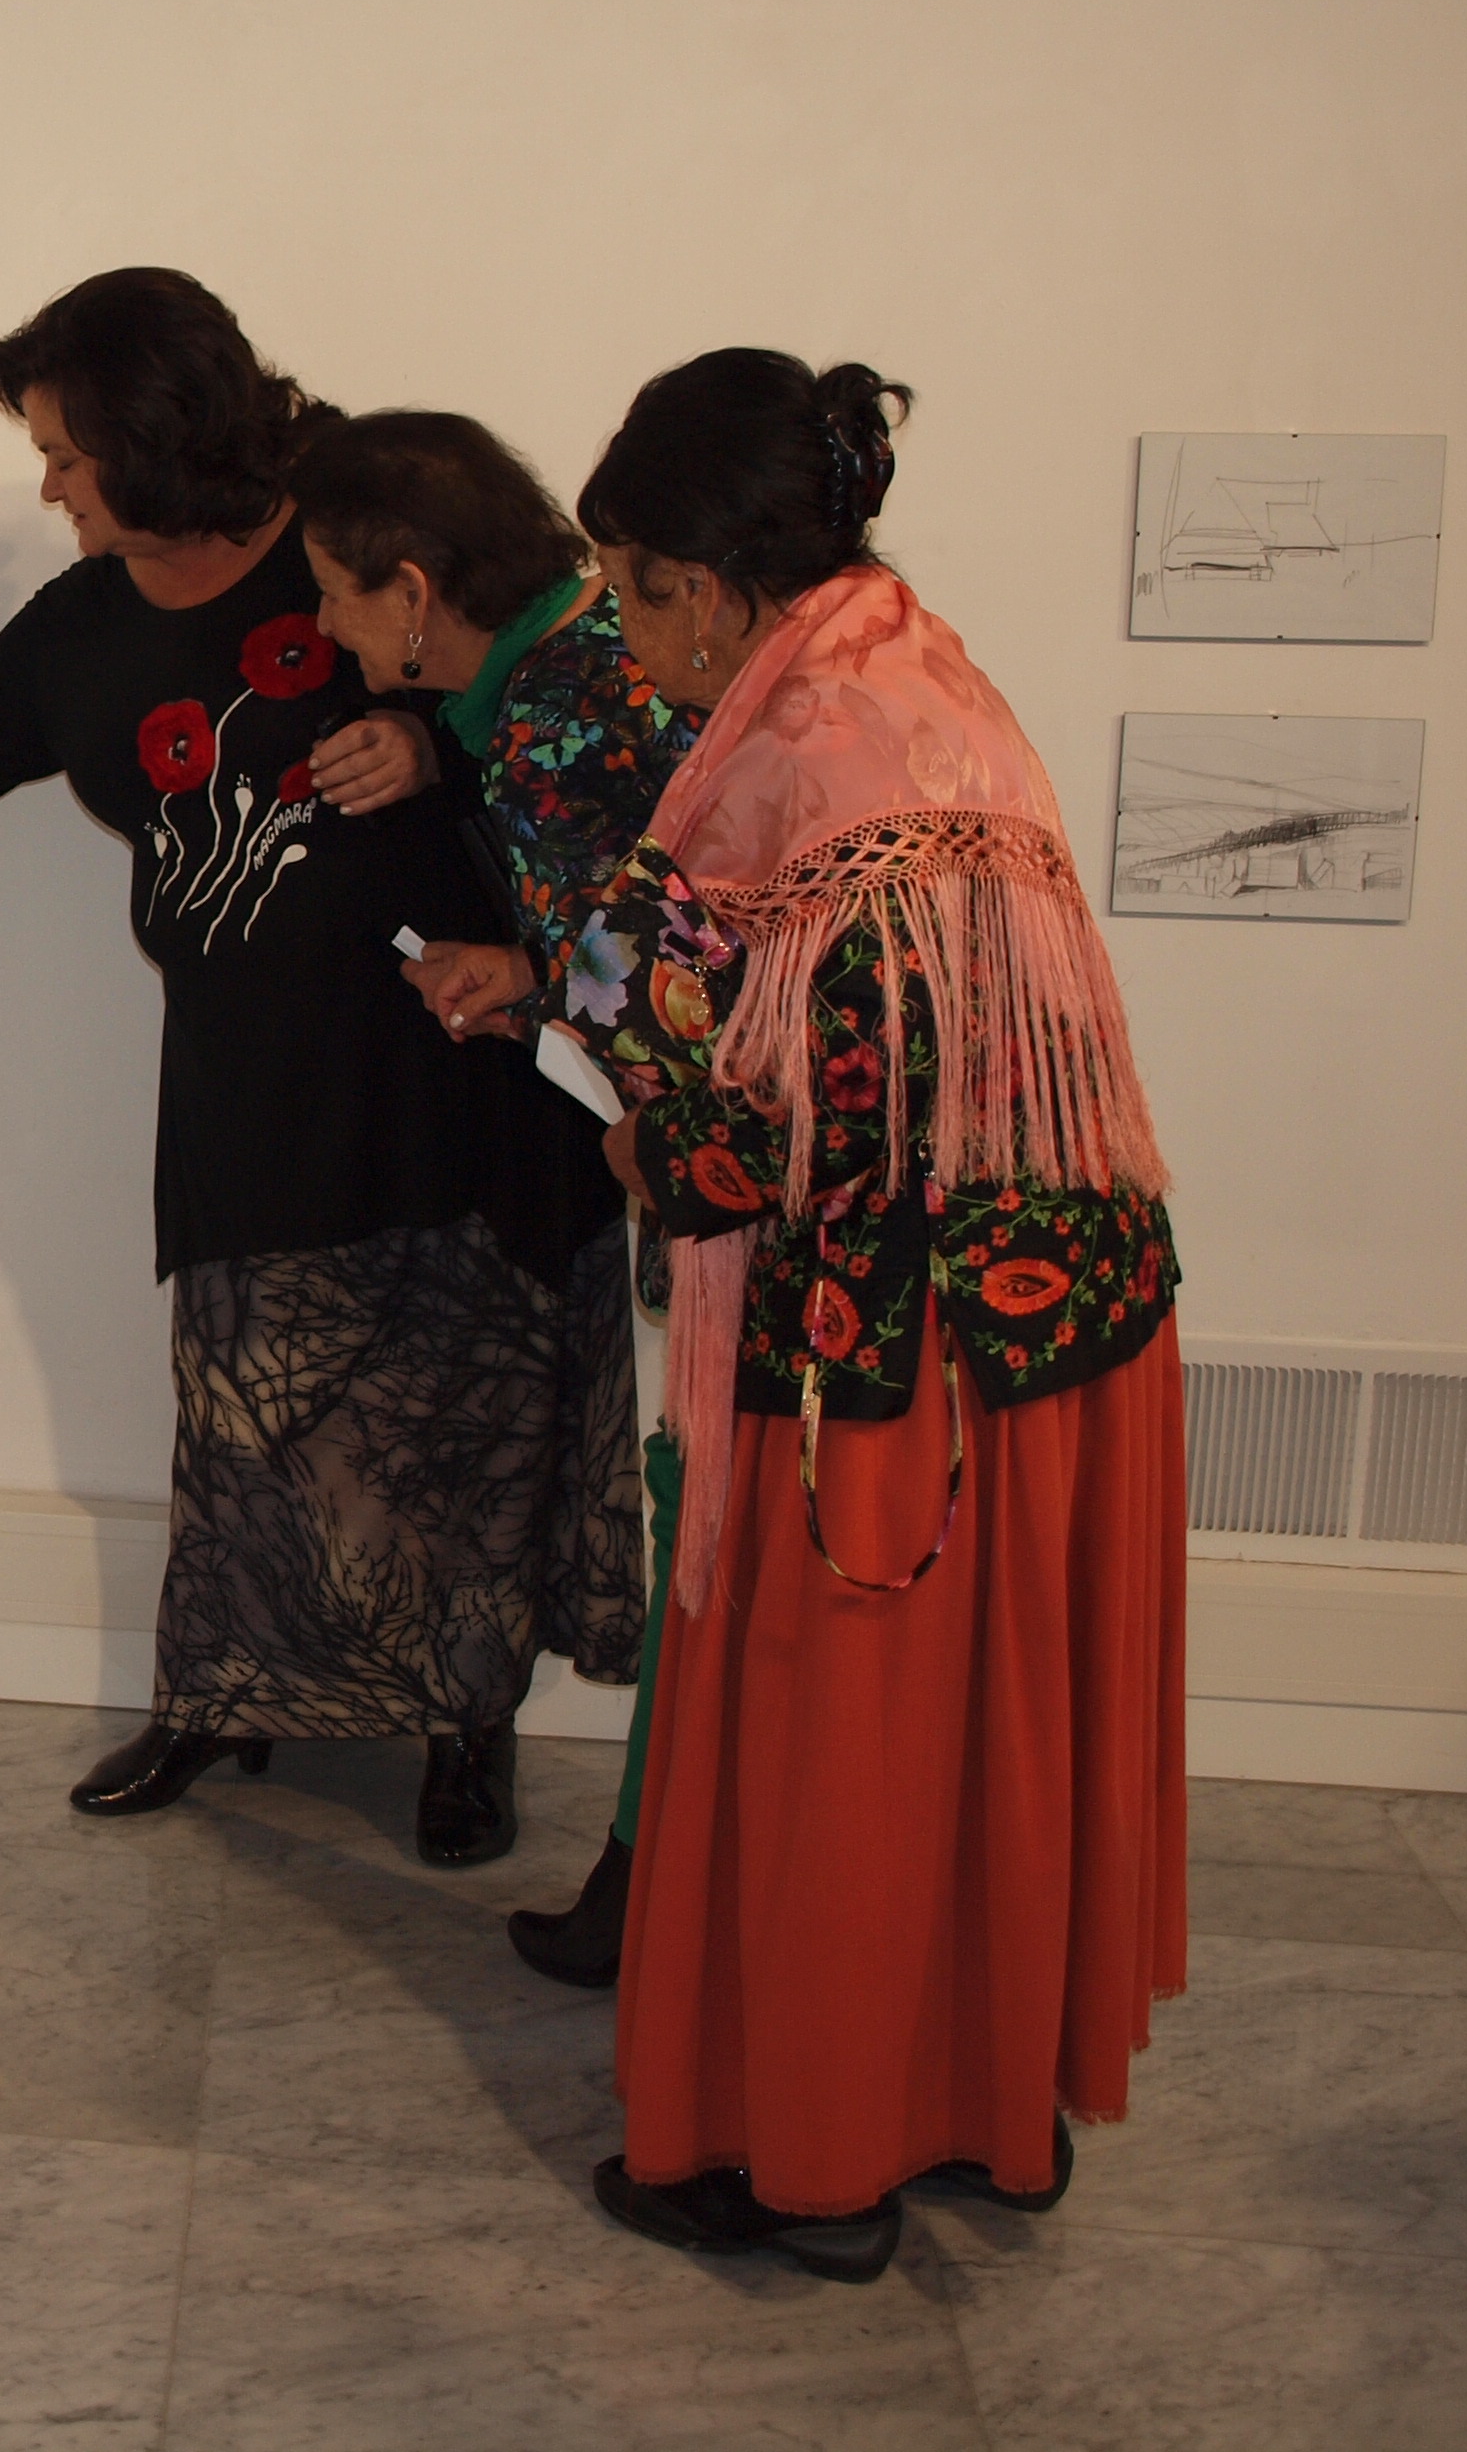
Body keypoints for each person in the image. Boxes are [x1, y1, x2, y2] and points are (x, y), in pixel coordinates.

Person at [0, 270, 639, 1861]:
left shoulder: (347, 521)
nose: (49, 488)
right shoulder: (82, 633)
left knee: (459, 1397)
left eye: (65, 456)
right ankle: (221, 1699)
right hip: (250, 1072)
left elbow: (532, 655)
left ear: (152, 443)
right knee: (241, 1400)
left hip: (453, 1058)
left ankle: (463, 1733)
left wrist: (427, 744)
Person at [560, 349, 1185, 2284]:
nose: (627, 643)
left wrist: (649, 1142)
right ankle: (993, 2107)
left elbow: (795, 1113)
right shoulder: (931, 680)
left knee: (844, 1748)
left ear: (701, 582)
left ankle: (814, 2163)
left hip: (879, 1363)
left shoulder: (800, 749)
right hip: (1062, 1325)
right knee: (992, 1737)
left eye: (628, 595)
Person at [284, 404, 698, 1985]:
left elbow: (675, 969)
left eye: (335, 593)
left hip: (723, 1170)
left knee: (710, 1528)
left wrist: (542, 990)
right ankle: (648, 1878)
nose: (325, 630)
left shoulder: (552, 711)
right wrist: (528, 973)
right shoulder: (570, 663)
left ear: (411, 590)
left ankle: (653, 1887)